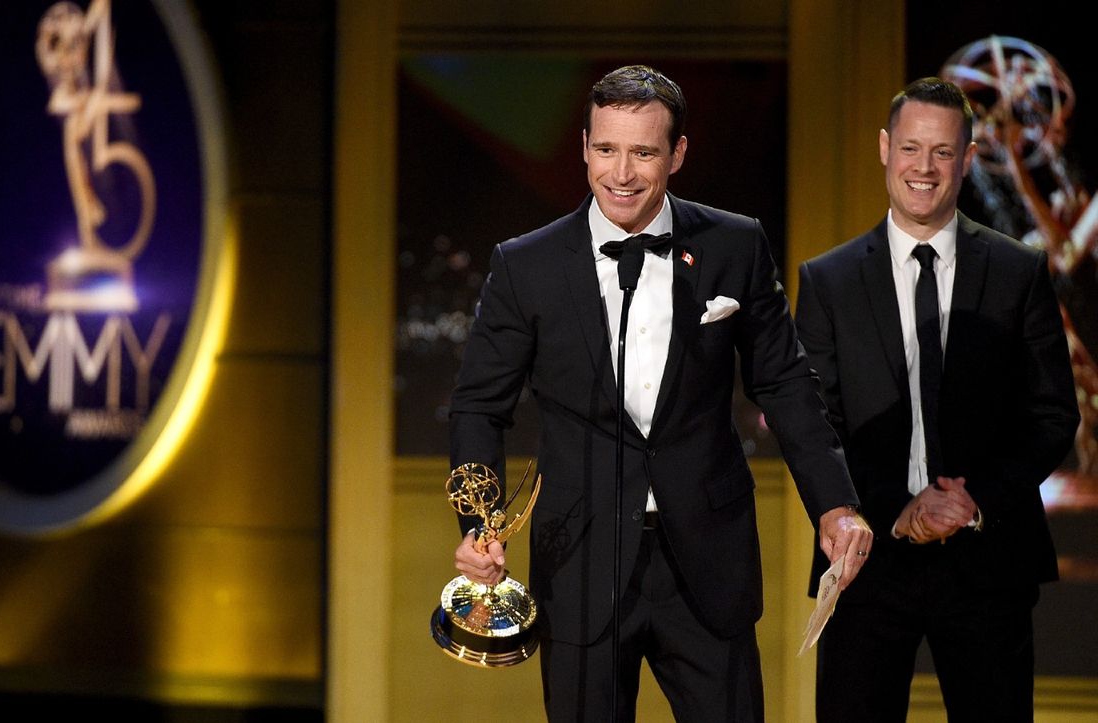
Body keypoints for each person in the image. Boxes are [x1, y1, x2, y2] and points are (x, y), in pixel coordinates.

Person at [448, 64, 872, 722]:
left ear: (676, 154)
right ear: (585, 146)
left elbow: (785, 382)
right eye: (607, 149)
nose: (621, 173)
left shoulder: (734, 244)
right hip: (581, 562)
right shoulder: (526, 264)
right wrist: (478, 523)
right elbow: (479, 404)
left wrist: (834, 503)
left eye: (643, 152)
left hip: (707, 561)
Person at [795, 77, 1080, 722]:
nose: (924, 168)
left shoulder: (1018, 272)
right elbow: (816, 424)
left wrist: (972, 499)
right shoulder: (828, 281)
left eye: (943, 152)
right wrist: (895, 511)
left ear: (969, 158)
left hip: (988, 561)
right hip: (868, 564)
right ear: (884, 148)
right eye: (911, 148)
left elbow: (1052, 413)